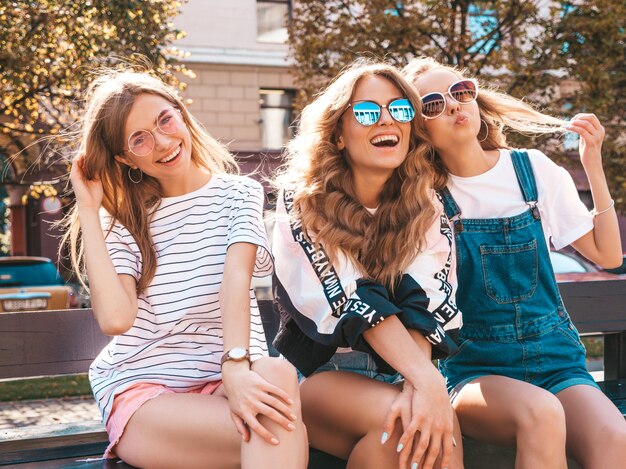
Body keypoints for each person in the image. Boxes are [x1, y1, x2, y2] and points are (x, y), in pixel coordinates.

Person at [62, 70, 307, 469]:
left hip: (227, 382)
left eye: (165, 120)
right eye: (139, 139)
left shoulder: (239, 192)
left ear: (180, 114)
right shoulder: (123, 219)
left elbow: (237, 277)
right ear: (124, 158)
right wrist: (90, 209)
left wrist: (234, 367)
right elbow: (115, 318)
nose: (162, 142)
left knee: (277, 373)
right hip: (148, 395)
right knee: (278, 429)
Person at [403, 57, 626, 468]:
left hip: (557, 362)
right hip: (477, 371)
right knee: (540, 412)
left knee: (617, 439)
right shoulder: (427, 201)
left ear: (476, 101)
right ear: (422, 130)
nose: (454, 105)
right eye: (433, 104)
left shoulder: (532, 169)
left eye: (461, 91)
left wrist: (593, 163)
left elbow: (608, 256)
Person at [271, 60, 464, 469]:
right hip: (321, 377)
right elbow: (353, 300)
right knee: (411, 427)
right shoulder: (302, 202)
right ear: (339, 134)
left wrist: (418, 382)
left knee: (418, 436)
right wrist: (427, 383)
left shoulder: (426, 205)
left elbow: (426, 301)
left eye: (399, 109)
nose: (385, 121)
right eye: (366, 112)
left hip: (404, 374)